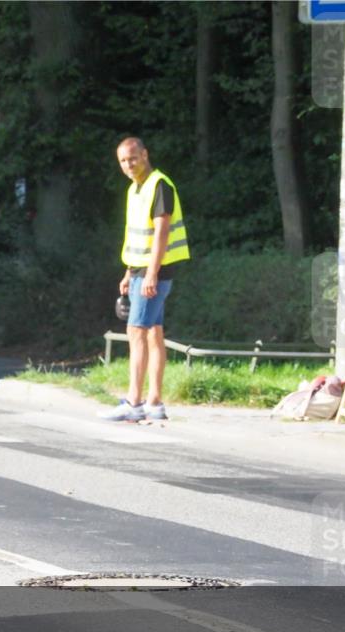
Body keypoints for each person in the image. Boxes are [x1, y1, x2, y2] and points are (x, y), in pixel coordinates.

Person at [100, 137, 190, 422]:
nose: (128, 165)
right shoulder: (135, 189)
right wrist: (129, 272)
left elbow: (162, 232)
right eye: (123, 161)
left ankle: (134, 402)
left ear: (145, 154)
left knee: (135, 331)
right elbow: (139, 234)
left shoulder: (159, 184)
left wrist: (151, 273)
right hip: (141, 270)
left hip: (155, 271)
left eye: (133, 158)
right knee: (153, 333)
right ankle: (155, 402)